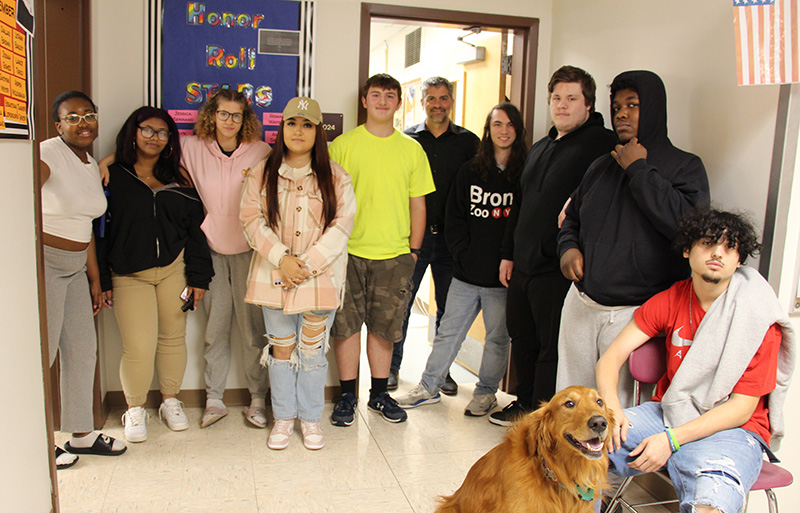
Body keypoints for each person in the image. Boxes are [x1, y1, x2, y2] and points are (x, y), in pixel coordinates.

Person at [597, 208, 795, 513]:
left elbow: (741, 408)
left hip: (734, 429)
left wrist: (671, 440)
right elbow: (610, 359)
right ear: (688, 250)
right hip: (669, 412)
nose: (718, 253)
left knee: (710, 504)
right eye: (708, 243)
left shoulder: (756, 316)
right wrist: (611, 408)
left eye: (729, 248)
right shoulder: (672, 299)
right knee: (580, 449)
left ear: (739, 260)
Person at [556, 70, 710, 408]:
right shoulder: (600, 166)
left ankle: (608, 464)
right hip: (582, 304)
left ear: (653, 109)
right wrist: (568, 248)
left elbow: (688, 230)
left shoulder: (685, 166)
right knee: (569, 402)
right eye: (616, 106)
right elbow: (573, 220)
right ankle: (564, 462)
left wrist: (639, 170)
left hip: (635, 311)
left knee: (615, 411)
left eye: (633, 105)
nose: (621, 113)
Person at [491, 66, 617, 426]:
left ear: (588, 104)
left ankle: (544, 415)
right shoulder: (542, 147)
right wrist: (507, 253)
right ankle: (524, 402)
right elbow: (521, 202)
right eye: (556, 98)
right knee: (523, 337)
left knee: (550, 347)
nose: (562, 106)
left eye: (571, 98)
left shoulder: (601, 144)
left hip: (557, 267)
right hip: (524, 265)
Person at [393, 103, 525, 416]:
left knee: (497, 339)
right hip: (466, 273)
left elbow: (523, 222)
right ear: (487, 129)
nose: (502, 131)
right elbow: (455, 217)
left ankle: (485, 393)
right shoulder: (471, 169)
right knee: (449, 332)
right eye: (496, 124)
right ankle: (429, 386)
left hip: (502, 277)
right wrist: (461, 253)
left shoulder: (525, 173)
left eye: (509, 125)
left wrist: (510, 257)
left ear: (517, 130)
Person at [240, 97, 356, 450]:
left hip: (318, 276)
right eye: (292, 123)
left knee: (312, 351)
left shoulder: (336, 176)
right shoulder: (261, 171)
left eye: (307, 125)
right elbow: (250, 219)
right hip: (274, 273)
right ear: (282, 128)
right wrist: (282, 259)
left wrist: (305, 264)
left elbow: (342, 225)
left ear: (318, 132)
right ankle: (284, 418)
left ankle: (309, 419)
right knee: (281, 350)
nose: (299, 131)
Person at [97, 107, 213, 443]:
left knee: (173, 338)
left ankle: (170, 401)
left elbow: (195, 231)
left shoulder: (179, 178)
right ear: (132, 132)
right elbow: (100, 232)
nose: (154, 138)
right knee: (138, 345)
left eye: (162, 133)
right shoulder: (111, 175)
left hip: (174, 270)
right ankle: (134, 408)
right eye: (146, 130)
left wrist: (199, 278)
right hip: (128, 274)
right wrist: (103, 280)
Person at [328, 73, 434, 426]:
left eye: (390, 96)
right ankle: (346, 396)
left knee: (383, 330)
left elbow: (417, 204)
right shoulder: (342, 146)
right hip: (347, 254)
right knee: (344, 328)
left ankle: (378, 395)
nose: (383, 101)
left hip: (394, 256)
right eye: (376, 95)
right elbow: (328, 200)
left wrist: (414, 251)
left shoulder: (412, 149)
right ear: (364, 101)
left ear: (398, 103)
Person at [40, 91, 126, 468]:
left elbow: (87, 226)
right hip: (43, 262)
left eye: (89, 115)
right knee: (40, 355)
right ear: (58, 125)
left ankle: (80, 434)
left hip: (76, 265)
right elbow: (17, 195)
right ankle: (37, 441)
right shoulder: (46, 153)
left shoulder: (90, 163)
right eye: (71, 117)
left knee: (81, 349)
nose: (82, 123)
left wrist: (94, 277)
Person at [181, 90, 271, 429]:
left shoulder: (261, 151)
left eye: (237, 115)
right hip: (211, 252)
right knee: (214, 330)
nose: (230, 121)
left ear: (245, 118)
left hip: (251, 252)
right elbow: (146, 148)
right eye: (223, 114)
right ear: (211, 115)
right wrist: (104, 161)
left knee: (253, 331)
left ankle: (258, 399)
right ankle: (214, 399)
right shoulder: (191, 148)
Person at [391, 76, 480, 393]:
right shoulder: (407, 141)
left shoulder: (469, 143)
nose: (438, 104)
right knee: (401, 305)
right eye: (432, 99)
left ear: (451, 101)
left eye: (443, 98)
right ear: (423, 102)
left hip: (452, 242)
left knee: (449, 312)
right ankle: (391, 369)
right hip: (414, 239)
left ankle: (442, 373)